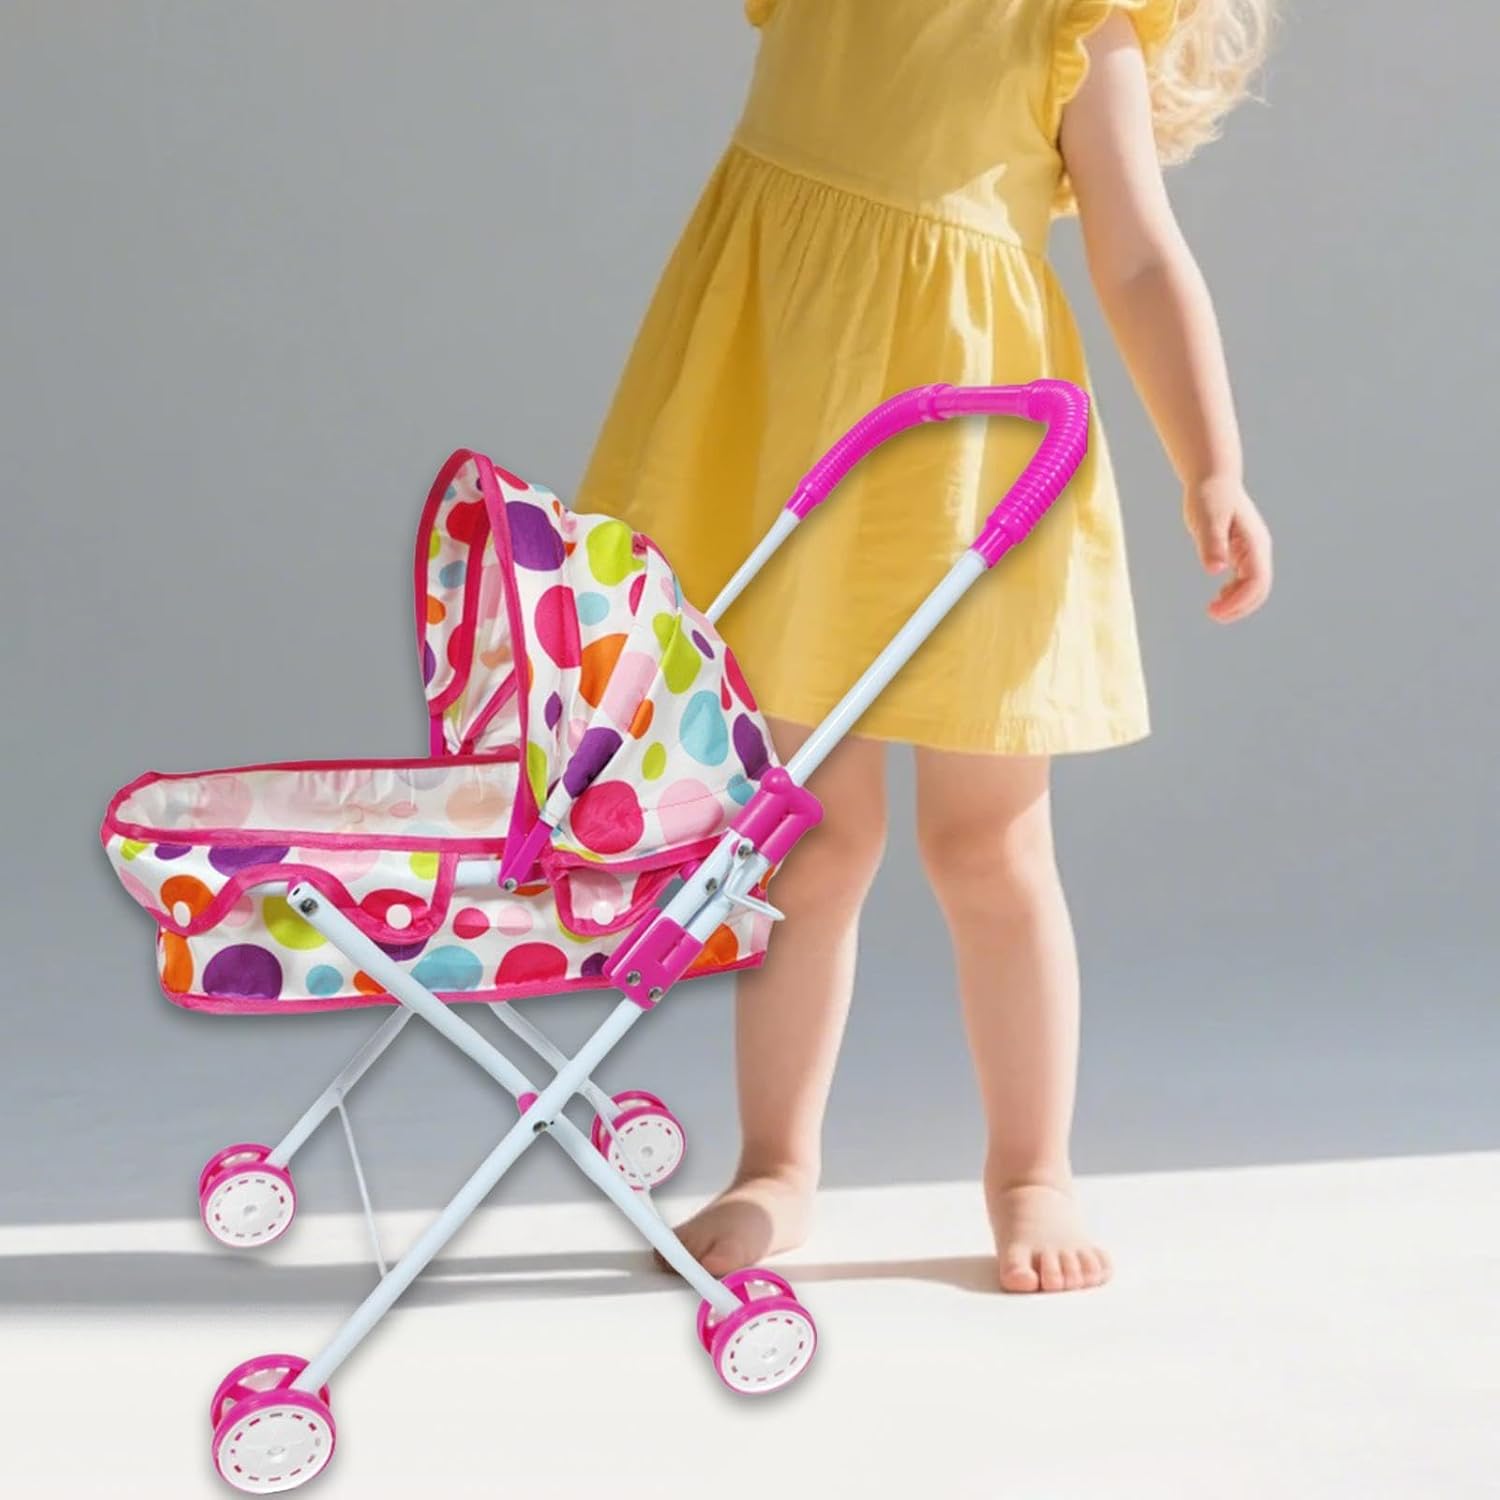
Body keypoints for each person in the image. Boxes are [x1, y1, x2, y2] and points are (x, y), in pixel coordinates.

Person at [578, 0, 1276, 1293]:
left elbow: (1136, 257)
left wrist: (1211, 463)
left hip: (973, 466)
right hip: (792, 442)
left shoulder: (1077, 27)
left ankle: (1031, 1170)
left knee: (989, 844)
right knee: (806, 836)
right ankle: (776, 1165)